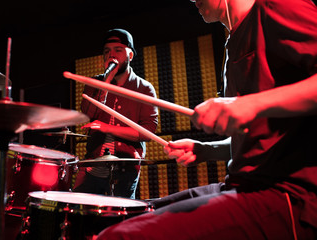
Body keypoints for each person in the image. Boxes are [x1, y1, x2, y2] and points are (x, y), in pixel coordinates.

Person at [97, 0, 317, 239]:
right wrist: (205, 149)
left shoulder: (278, 6)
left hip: (290, 194)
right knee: (127, 216)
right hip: (240, 184)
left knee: (122, 236)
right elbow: (259, 138)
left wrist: (252, 104)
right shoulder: (232, 41)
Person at [73, 28, 158, 199]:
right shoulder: (94, 83)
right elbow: (88, 113)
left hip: (126, 166)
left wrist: (107, 128)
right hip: (94, 162)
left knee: (119, 216)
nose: (111, 55)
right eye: (107, 51)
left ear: (130, 56)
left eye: (118, 50)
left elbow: (148, 132)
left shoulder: (144, 88)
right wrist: (106, 83)